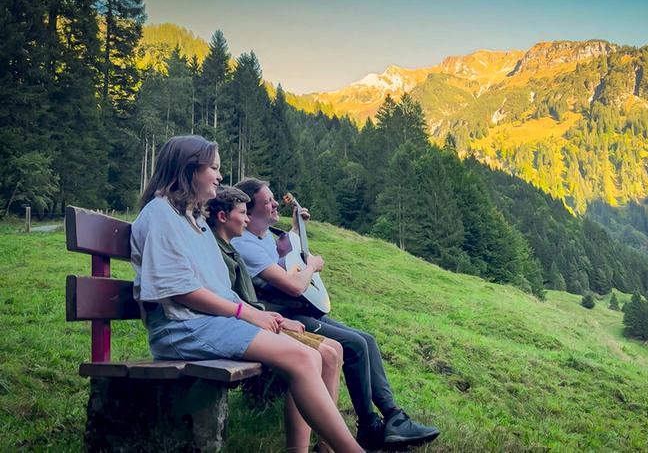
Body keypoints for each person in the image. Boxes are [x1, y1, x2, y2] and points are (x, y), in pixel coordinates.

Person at [130, 135, 362, 453]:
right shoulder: (160, 215)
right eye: (213, 168)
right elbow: (181, 291)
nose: (220, 176)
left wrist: (261, 314)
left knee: (309, 354)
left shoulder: (192, 220)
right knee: (302, 356)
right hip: (181, 329)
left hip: (207, 323)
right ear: (189, 170)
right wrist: (247, 313)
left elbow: (219, 288)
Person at [231, 178, 440, 450]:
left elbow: (288, 262)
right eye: (267, 200)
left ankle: (393, 416)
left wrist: (296, 228)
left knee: (368, 340)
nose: (273, 204)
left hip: (298, 310)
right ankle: (368, 426)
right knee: (353, 345)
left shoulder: (266, 238)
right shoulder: (246, 244)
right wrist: (313, 266)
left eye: (273, 199)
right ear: (250, 208)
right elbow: (294, 285)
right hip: (281, 314)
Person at [205, 185, 345, 452]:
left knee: (334, 349)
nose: (246, 220)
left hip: (257, 317)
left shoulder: (231, 247)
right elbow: (235, 302)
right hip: (242, 324)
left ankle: (326, 446)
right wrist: (275, 318)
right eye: (243, 213)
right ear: (223, 216)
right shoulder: (228, 249)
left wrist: (275, 317)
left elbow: (243, 298)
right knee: (316, 356)